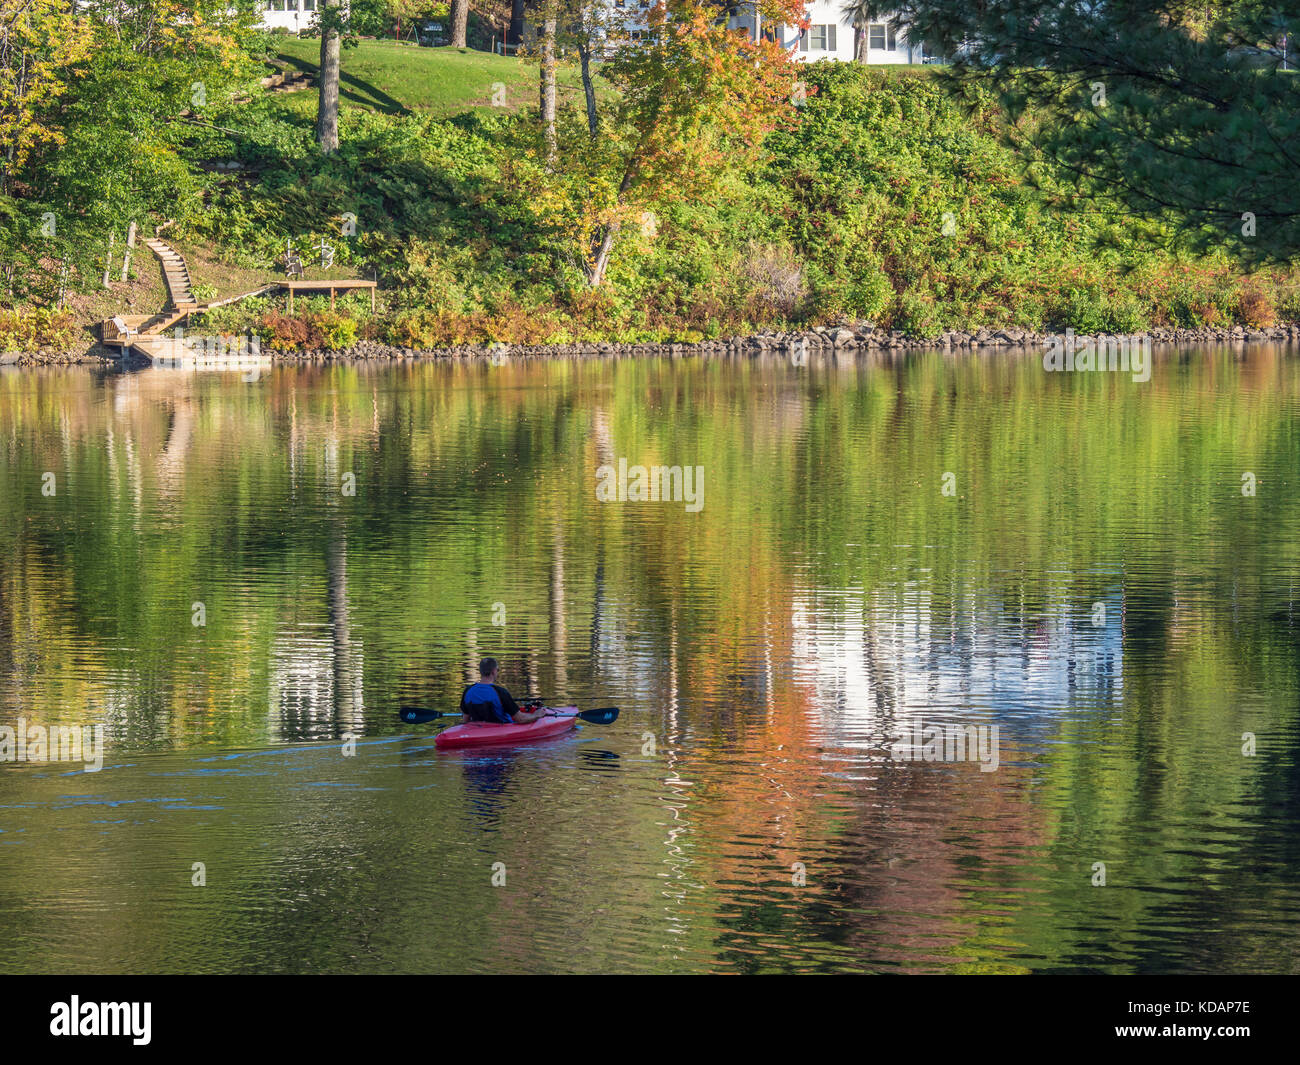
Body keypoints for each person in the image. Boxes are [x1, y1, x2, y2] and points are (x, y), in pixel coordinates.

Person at [460, 658, 547, 724]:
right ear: (494, 671)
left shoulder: (468, 691)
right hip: (501, 731)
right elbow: (520, 719)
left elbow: (466, 719)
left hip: (476, 731)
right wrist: (537, 714)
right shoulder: (500, 692)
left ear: (481, 672)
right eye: (498, 670)